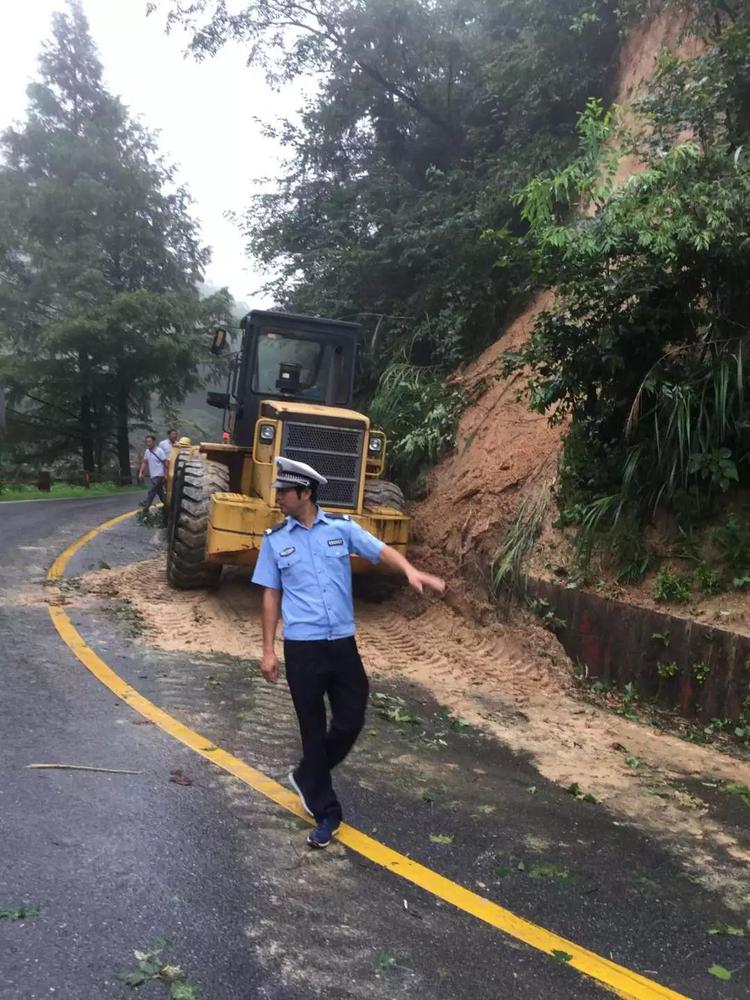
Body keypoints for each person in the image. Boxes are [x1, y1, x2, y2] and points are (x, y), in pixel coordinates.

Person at [252, 456, 446, 849]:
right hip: (302, 648)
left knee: (350, 720)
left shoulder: (341, 529)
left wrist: (409, 571)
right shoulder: (275, 540)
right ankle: (327, 811)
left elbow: (380, 550)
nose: (279, 499)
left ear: (304, 493)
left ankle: (309, 775)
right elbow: (271, 595)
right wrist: (268, 650)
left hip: (342, 645)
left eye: (284, 493)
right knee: (311, 728)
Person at [138, 434, 167, 511]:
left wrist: (166, 474)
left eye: (150, 442)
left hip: (159, 475)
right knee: (160, 492)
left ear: (154, 442)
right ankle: (168, 505)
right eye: (147, 442)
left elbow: (165, 463)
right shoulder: (147, 451)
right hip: (153, 475)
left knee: (151, 490)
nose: (148, 443)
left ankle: (146, 506)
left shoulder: (160, 451)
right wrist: (141, 472)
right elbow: (144, 462)